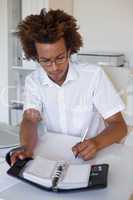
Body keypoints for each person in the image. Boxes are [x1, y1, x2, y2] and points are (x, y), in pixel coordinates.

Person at [11, 8, 127, 165]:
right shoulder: (34, 80)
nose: (54, 68)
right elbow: (30, 119)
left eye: (60, 58)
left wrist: (96, 143)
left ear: (70, 50)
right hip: (53, 153)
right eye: (45, 60)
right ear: (35, 56)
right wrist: (26, 146)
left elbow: (119, 126)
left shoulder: (93, 75)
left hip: (93, 154)